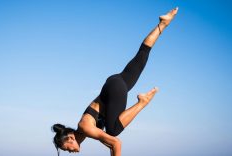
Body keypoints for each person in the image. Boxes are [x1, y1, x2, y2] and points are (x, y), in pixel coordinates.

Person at [52, 7, 178, 156]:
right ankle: (163, 24)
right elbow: (111, 146)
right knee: (142, 56)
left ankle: (142, 102)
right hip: (114, 83)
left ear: (71, 138)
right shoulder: (85, 131)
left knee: (113, 131)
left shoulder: (85, 128)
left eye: (67, 148)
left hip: (114, 89)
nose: (70, 152)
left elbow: (116, 142)